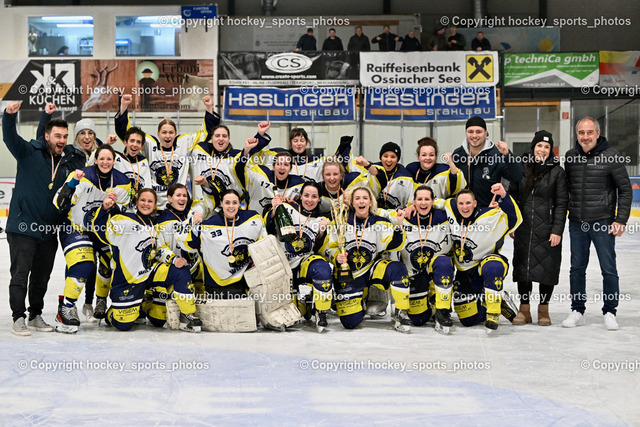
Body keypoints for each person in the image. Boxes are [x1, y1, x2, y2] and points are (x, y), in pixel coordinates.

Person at [3, 102, 85, 336]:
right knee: (20, 275)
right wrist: (9, 116)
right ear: (47, 136)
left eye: (65, 136)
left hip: (49, 230)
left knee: (41, 277)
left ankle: (35, 315)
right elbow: (9, 136)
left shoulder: (67, 162)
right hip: (23, 227)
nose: (62, 140)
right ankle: (18, 317)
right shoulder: (28, 153)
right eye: (57, 136)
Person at [93, 188, 202, 332]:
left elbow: (159, 248)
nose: (146, 204)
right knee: (123, 325)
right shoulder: (123, 220)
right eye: (143, 200)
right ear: (137, 202)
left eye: (150, 201)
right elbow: (101, 230)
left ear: (155, 205)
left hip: (150, 272)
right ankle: (114, 313)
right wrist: (105, 209)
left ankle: (187, 315)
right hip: (129, 279)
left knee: (180, 272)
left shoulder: (153, 224)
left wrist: (174, 259)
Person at [561, 117, 632, 330]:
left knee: (608, 268)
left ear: (598, 133)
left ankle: (610, 311)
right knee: (576, 268)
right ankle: (577, 310)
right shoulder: (570, 157)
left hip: (603, 222)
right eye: (581, 132)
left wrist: (620, 219)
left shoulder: (612, 156)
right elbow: (566, 188)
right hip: (577, 222)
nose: (585, 137)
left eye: (589, 132)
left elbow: (625, 190)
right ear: (577, 134)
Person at [53, 145, 131, 333]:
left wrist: (112, 207)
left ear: (114, 161)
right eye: (101, 158)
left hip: (101, 228)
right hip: (75, 226)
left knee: (109, 263)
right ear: (95, 160)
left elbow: (124, 212)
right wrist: (72, 183)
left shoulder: (122, 182)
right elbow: (58, 203)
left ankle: (101, 300)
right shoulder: (82, 175)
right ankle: (66, 307)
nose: (105, 162)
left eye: (109, 159)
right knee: (84, 265)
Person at [326, 185, 410, 332]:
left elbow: (395, 245)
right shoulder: (341, 221)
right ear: (352, 202)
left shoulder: (379, 222)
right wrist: (336, 256)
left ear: (371, 202)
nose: (361, 201)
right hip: (350, 274)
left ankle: (401, 312)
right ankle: (362, 298)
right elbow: (330, 247)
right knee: (350, 322)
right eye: (357, 198)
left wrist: (400, 225)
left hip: (372, 269)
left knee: (398, 268)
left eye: (365, 198)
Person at [115, 93, 219, 208]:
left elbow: (206, 133)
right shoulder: (149, 144)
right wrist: (124, 105)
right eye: (164, 132)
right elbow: (129, 135)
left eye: (171, 132)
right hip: (155, 205)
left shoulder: (184, 142)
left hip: (178, 204)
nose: (167, 136)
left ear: (175, 133)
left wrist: (209, 107)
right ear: (158, 134)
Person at [509, 131, 568, 326]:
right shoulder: (521, 168)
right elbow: (512, 196)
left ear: (551, 150)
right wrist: (512, 223)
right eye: (539, 146)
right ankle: (524, 310)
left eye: (546, 147)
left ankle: (544, 310)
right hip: (524, 227)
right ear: (533, 147)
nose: (542, 150)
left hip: (547, 229)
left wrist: (557, 230)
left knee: (547, 269)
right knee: (523, 268)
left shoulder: (558, 172)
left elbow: (562, 203)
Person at [446, 184, 522, 332]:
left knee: (493, 267)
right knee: (468, 320)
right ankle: (493, 301)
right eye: (461, 203)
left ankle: (493, 313)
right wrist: (410, 207)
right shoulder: (451, 213)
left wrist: (504, 196)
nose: (464, 207)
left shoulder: (489, 217)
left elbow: (515, 219)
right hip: (465, 272)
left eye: (468, 203)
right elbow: (433, 202)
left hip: (487, 265)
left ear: (475, 203)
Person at [265, 181, 332, 330]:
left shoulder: (321, 220)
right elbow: (268, 229)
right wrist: (274, 210)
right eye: (306, 195)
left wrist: (322, 233)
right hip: (282, 265)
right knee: (291, 317)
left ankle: (320, 310)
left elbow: (320, 250)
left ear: (319, 199)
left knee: (322, 268)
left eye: (314, 196)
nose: (309, 200)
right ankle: (304, 305)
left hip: (304, 263)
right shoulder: (286, 208)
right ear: (300, 196)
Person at [179, 189, 267, 298]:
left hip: (246, 278)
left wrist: (257, 259)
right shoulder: (208, 225)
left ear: (239, 203)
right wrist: (190, 222)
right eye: (227, 202)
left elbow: (264, 241)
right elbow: (185, 242)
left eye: (234, 202)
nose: (231, 206)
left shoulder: (253, 218)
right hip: (218, 283)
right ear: (221, 203)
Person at [146, 183, 210, 326]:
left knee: (203, 271)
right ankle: (151, 302)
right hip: (168, 267)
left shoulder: (191, 212)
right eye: (178, 195)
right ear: (169, 198)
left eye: (184, 195)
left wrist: (206, 185)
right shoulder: (162, 220)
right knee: (158, 319)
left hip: (190, 264)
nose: (182, 198)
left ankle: (195, 309)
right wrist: (174, 259)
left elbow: (206, 202)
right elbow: (158, 248)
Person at [395, 186, 454, 332]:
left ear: (433, 201)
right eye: (419, 199)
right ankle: (429, 304)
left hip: (434, 270)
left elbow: (457, 205)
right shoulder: (405, 216)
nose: (423, 203)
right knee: (419, 319)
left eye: (427, 199)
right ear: (413, 201)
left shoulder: (444, 216)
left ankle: (442, 310)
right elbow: (377, 212)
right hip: (414, 274)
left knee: (444, 262)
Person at [191, 122, 269, 204]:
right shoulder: (200, 150)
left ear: (229, 139)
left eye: (224, 136)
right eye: (217, 136)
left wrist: (260, 134)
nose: (221, 139)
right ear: (212, 138)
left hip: (229, 206)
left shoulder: (235, 155)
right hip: (202, 204)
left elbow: (247, 153)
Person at [452, 116, 523, 207]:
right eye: (470, 131)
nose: (474, 135)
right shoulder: (458, 154)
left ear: (485, 133)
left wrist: (507, 154)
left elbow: (516, 176)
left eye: (479, 132)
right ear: (466, 133)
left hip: (488, 211)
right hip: (463, 210)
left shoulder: (496, 155)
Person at [236, 140, 305, 216]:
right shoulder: (261, 174)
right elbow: (239, 170)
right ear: (273, 166)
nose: (282, 167)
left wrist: (294, 204)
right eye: (279, 164)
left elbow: (307, 205)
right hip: (256, 220)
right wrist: (246, 151)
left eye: (286, 165)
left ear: (291, 169)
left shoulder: (298, 183)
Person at [260, 128, 354, 183]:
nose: (299, 144)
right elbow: (259, 155)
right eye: (295, 141)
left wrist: (343, 148)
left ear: (306, 143)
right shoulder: (280, 156)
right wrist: (260, 136)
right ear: (290, 143)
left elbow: (336, 164)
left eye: (302, 141)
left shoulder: (316, 160)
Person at [355, 142, 413, 210]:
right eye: (385, 156)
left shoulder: (406, 178)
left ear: (397, 159)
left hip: (396, 215)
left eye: (393, 157)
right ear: (381, 157)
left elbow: (410, 204)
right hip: (372, 214)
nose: (389, 160)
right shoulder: (370, 170)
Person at [113, 126, 152, 210]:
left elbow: (148, 188)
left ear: (142, 146)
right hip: (118, 210)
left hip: (137, 211)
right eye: (132, 141)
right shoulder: (115, 158)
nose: (135, 144)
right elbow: (96, 160)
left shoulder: (143, 162)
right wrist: (107, 144)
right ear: (125, 142)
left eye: (138, 142)